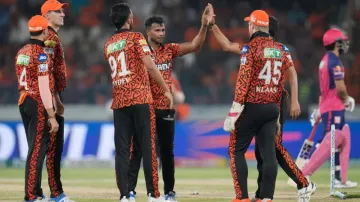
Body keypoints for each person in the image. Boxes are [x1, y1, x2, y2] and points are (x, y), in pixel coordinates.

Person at [208, 7, 314, 201]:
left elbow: (243, 79)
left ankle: (243, 197)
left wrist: (234, 110)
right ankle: (266, 196)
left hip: (253, 105)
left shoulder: (250, 48)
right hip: (274, 105)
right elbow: (292, 72)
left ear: (253, 25)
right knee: (269, 152)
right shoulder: (282, 49)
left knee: (238, 150)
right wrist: (213, 26)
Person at [128, 7, 211, 202]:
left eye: (163, 30)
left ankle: (169, 192)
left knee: (166, 152)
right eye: (157, 30)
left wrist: (204, 26)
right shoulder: (138, 52)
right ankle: (130, 191)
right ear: (148, 31)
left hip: (165, 108)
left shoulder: (169, 50)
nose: (161, 33)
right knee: (138, 150)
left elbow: (194, 45)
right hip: (144, 107)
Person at [103, 3, 173, 202]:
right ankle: (153, 194)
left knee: (122, 150)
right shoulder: (136, 37)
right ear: (129, 19)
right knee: (148, 145)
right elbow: (150, 66)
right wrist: (166, 89)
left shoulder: (108, 44)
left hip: (119, 101)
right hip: (141, 98)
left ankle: (125, 195)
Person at [306, 28, 357, 188]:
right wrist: (347, 98)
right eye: (341, 41)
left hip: (329, 106)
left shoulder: (325, 60)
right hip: (334, 107)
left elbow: (324, 90)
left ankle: (339, 179)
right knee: (329, 143)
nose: (344, 45)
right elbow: (340, 88)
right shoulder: (334, 62)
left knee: (341, 140)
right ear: (335, 43)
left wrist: (320, 109)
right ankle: (305, 174)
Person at [16, 15, 58, 202]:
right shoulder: (41, 54)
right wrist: (51, 115)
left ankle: (37, 192)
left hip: (23, 100)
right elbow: (43, 86)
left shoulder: (22, 51)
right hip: (36, 101)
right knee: (37, 150)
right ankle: (31, 195)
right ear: (45, 31)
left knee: (35, 149)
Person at [40, 1, 74, 201]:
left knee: (41, 149)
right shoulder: (49, 38)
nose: (62, 13)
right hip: (48, 99)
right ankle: (55, 194)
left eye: (62, 10)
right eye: (57, 11)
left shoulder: (49, 36)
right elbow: (46, 72)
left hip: (48, 96)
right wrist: (55, 99)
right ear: (46, 16)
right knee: (53, 149)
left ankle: (36, 192)